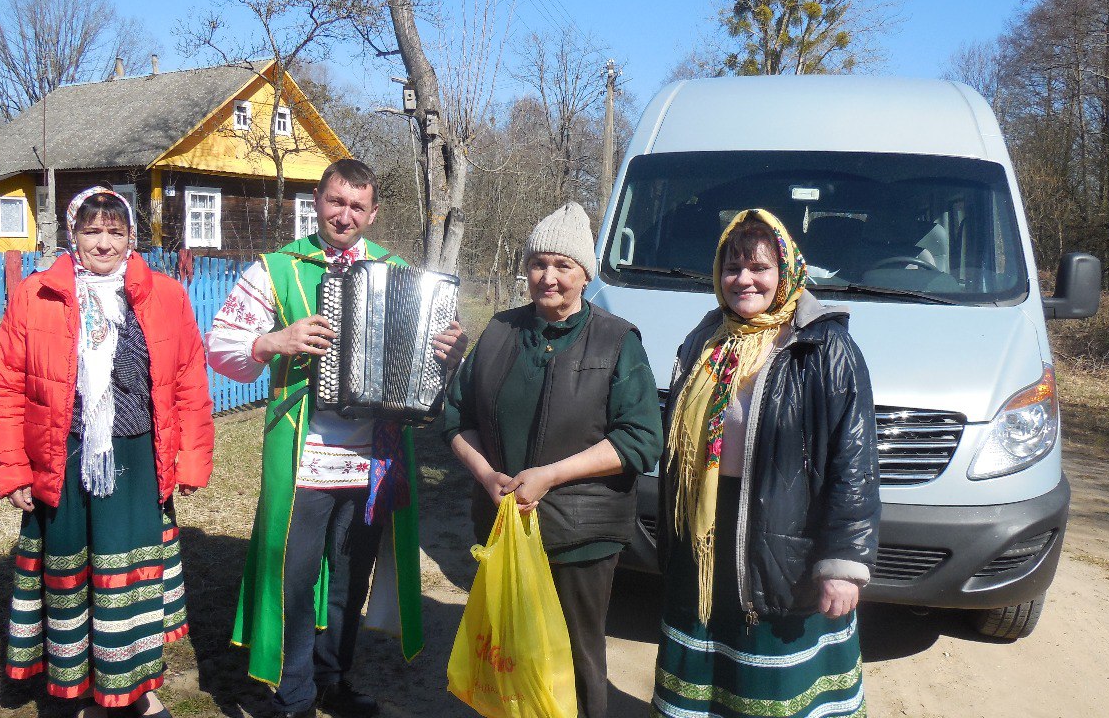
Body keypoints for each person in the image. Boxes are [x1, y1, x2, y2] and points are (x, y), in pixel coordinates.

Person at [207, 159, 467, 718]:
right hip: (305, 449)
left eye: (356, 206)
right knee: (295, 574)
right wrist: (276, 340)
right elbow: (220, 348)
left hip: (373, 455)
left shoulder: (397, 271)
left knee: (352, 572)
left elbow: (425, 366)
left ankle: (335, 678)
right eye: (335, 202)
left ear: (371, 213)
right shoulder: (274, 269)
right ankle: (292, 691)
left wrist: (447, 352)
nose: (344, 214)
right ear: (317, 202)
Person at [0, 187, 214, 718]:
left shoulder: (166, 296)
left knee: (129, 583)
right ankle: (81, 690)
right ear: (74, 235)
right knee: (74, 578)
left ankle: (138, 687)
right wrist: (13, 467)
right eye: (93, 231)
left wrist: (192, 460)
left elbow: (189, 382)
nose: (104, 243)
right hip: (62, 462)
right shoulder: (34, 295)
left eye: (115, 231)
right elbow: (4, 386)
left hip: (137, 463)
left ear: (132, 235)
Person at [651, 208, 880, 718]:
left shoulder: (824, 346)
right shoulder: (706, 338)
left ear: (787, 272)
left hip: (786, 537)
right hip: (707, 534)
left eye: (759, 267)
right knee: (708, 665)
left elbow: (854, 463)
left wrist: (843, 564)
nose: (744, 280)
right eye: (732, 267)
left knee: (772, 673)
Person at [444, 202, 663, 718]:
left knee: (575, 657)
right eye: (539, 263)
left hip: (581, 536)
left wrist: (550, 476)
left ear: (585, 274)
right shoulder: (499, 332)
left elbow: (641, 439)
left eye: (563, 266)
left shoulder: (617, 340)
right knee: (510, 656)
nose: (549, 277)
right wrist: (485, 474)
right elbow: (457, 417)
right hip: (504, 528)